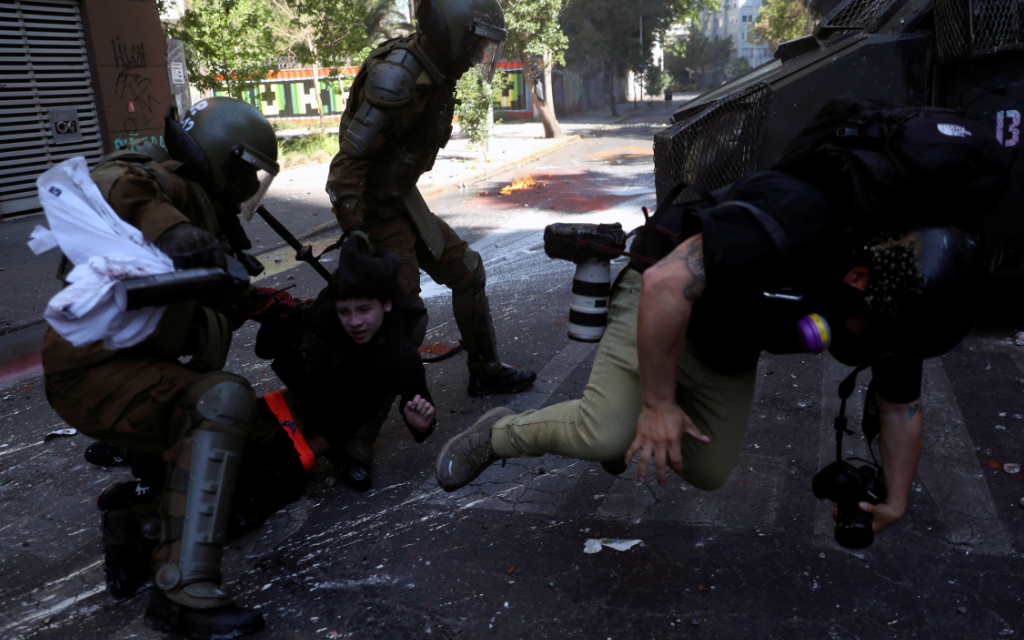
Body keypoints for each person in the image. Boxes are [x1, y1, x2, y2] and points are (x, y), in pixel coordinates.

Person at [435, 170, 988, 540]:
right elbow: (666, 286)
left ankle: (632, 419)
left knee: (709, 469)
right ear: (857, 276)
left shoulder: (900, 305)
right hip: (661, 298)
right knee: (601, 432)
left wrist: (894, 499)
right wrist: (653, 405)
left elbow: (902, 407)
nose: (869, 345)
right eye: (869, 329)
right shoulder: (795, 221)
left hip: (727, 337)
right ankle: (498, 433)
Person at [42, 97, 292, 639]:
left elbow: (209, 296)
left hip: (139, 368)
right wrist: (170, 231)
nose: (250, 185)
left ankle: (141, 524)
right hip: (95, 371)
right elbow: (107, 180)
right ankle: (183, 591)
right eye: (246, 169)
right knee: (222, 399)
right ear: (223, 156)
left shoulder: (203, 212)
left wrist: (289, 310)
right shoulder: (167, 185)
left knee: (268, 456)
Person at [324, 0, 536, 397]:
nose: (477, 57)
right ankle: (355, 432)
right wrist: (355, 232)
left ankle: (485, 370)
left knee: (467, 269)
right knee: (401, 318)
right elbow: (346, 169)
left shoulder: (434, 70)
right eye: (475, 45)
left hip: (401, 199)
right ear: (452, 34)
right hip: (377, 212)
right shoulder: (399, 77)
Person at [254, 235, 438, 490]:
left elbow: (418, 407)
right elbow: (269, 352)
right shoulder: (325, 313)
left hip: (359, 396)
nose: (354, 322)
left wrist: (422, 425)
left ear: (386, 304)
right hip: (322, 388)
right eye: (345, 312)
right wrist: (277, 321)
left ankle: (351, 438)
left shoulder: (400, 355)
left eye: (364, 310)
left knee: (351, 450)